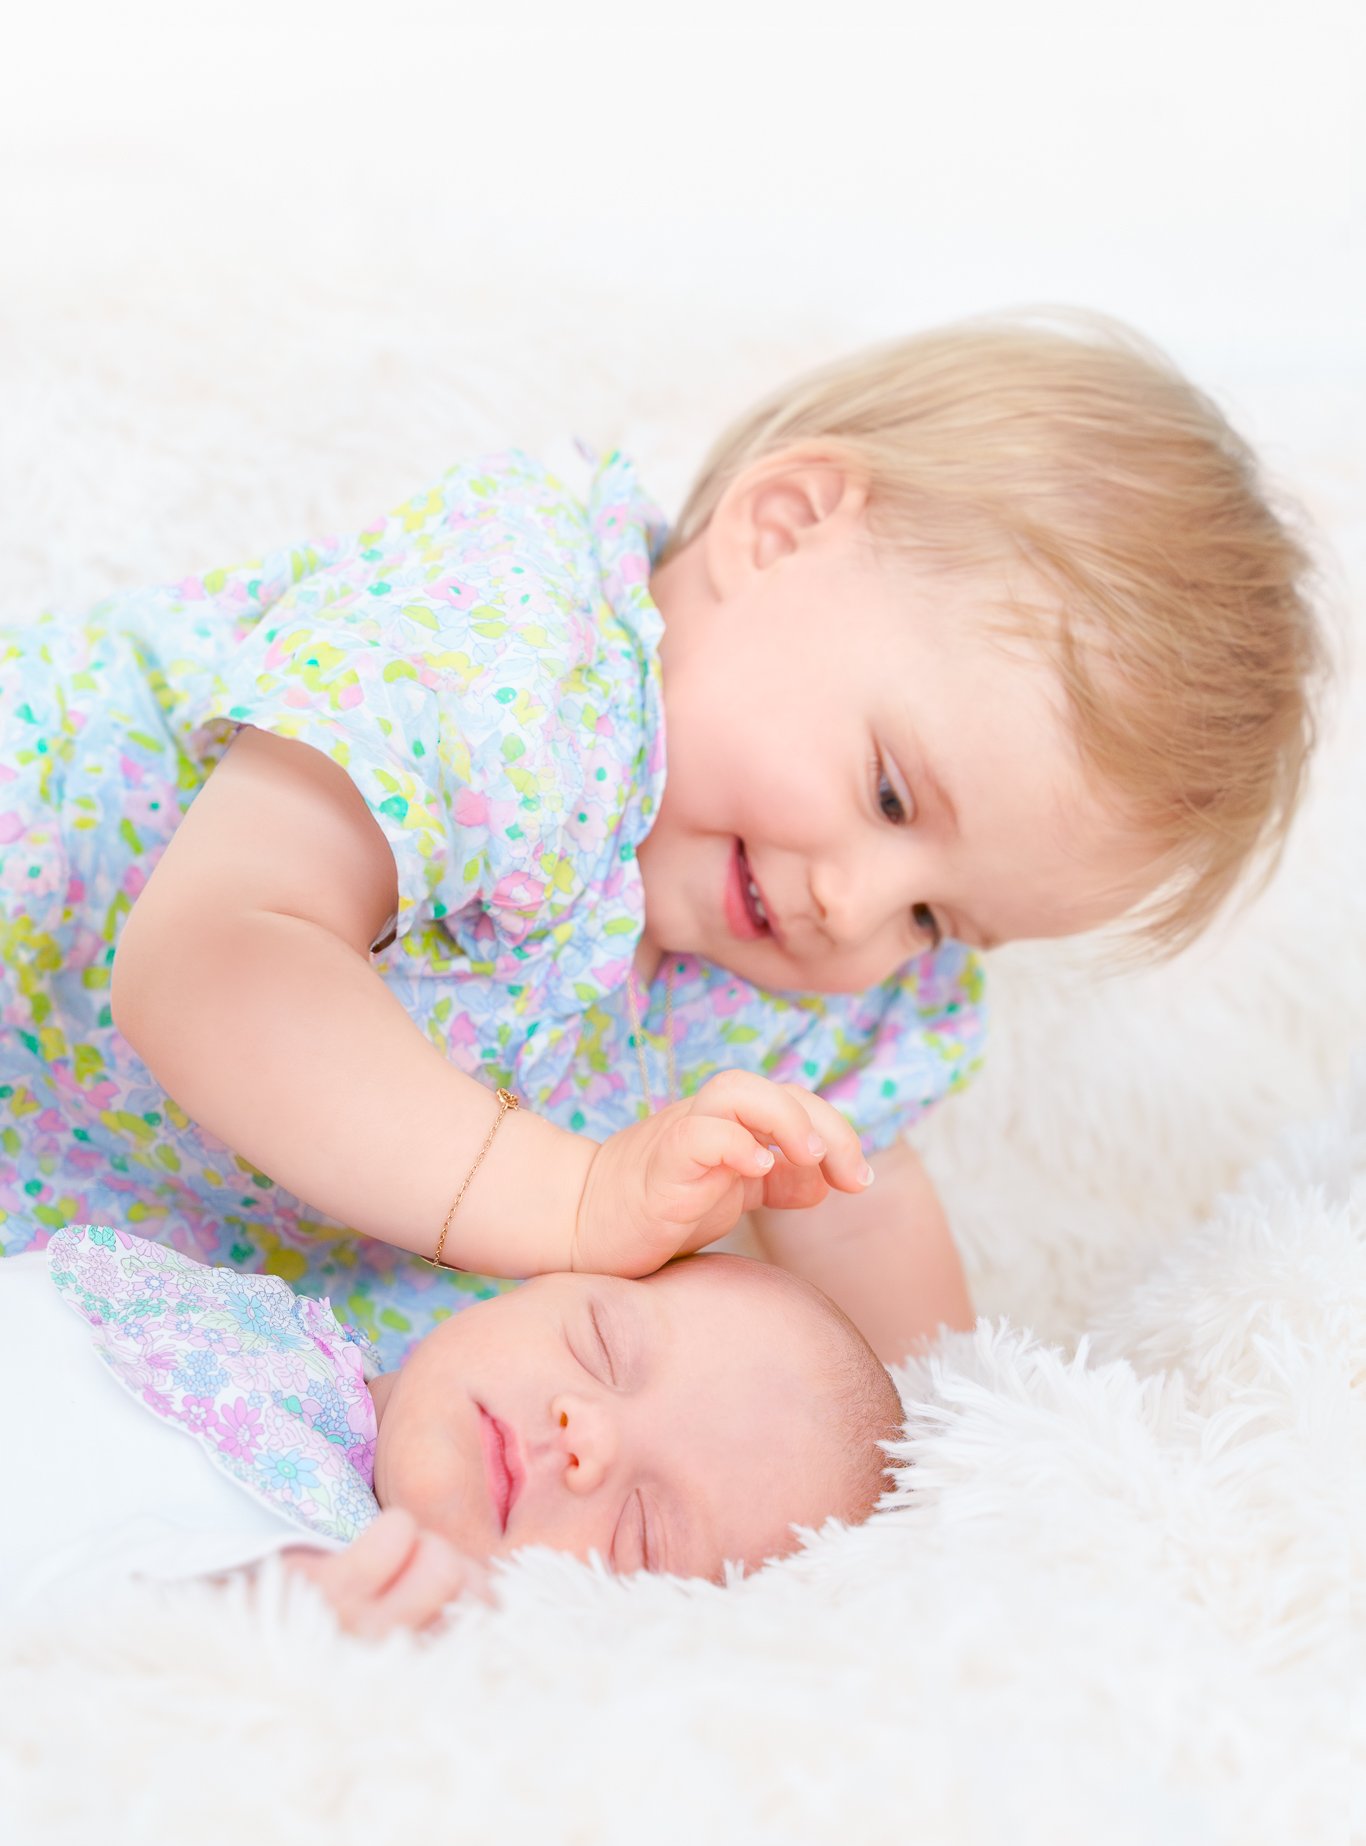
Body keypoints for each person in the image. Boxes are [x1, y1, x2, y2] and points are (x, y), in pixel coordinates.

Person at [0, 313, 1326, 1364]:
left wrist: (952, 1464)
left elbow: (854, 1209)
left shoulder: (807, 989)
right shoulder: (518, 646)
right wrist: (564, 1198)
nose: (855, 909)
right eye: (887, 793)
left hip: (102, 1229)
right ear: (782, 526)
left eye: (940, 917)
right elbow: (214, 959)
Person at [2, 1225, 904, 1638]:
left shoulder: (363, 1607)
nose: (585, 1436)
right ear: (540, 1277)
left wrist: (280, 1624)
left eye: (641, 1533)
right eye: (602, 1346)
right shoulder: (283, 1332)